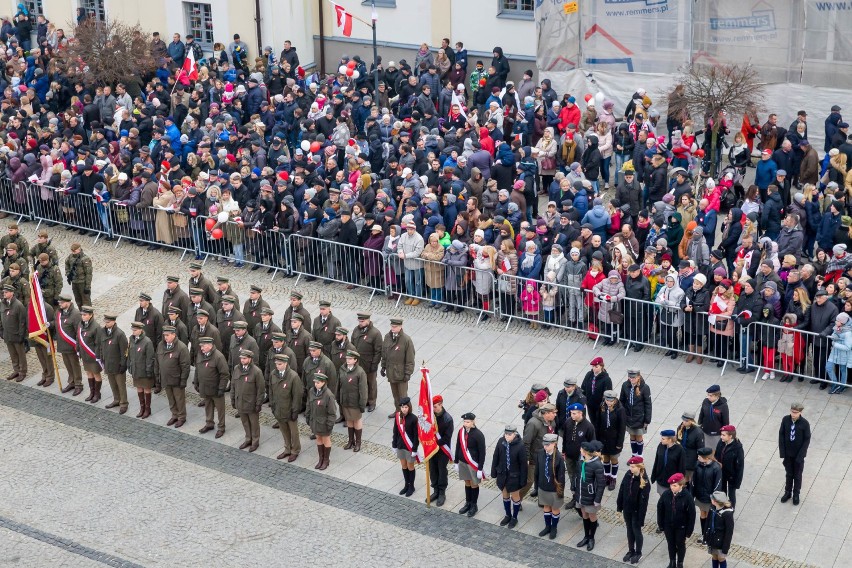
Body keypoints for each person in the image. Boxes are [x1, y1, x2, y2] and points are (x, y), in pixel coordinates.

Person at [491, 424, 528, 529]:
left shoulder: (520, 446)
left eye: (509, 434)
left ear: (515, 434)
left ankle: (514, 517)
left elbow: (523, 464)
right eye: (506, 434)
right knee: (505, 494)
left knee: (515, 496)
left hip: (514, 476)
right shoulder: (501, 441)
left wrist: (523, 480)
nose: (507, 436)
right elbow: (496, 456)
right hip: (502, 474)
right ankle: (508, 515)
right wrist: (493, 472)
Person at [193, 336, 230, 440]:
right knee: (208, 406)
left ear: (210, 345)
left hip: (216, 388)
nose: (201, 348)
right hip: (205, 387)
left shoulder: (218, 357)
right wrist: (196, 382)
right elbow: (197, 369)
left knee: (220, 409)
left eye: (203, 346)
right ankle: (209, 423)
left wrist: (221, 388)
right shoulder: (201, 354)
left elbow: (225, 374)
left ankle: (221, 427)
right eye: (201, 346)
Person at [268, 353, 303, 461]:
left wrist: (295, 411)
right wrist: (273, 405)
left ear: (286, 363)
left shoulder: (293, 376)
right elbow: (271, 391)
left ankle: (295, 450)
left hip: (289, 409)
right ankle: (287, 449)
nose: (277, 366)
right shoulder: (273, 374)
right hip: (278, 409)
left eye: (280, 364)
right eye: (276, 364)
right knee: (284, 430)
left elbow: (297, 395)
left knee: (294, 432)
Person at [617, 455, 651, 565]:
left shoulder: (644, 481)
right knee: (629, 530)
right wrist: (619, 507)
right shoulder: (628, 475)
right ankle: (631, 550)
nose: (630, 468)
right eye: (630, 466)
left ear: (639, 467)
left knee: (636, 531)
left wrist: (641, 518)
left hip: (636, 511)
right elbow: (622, 490)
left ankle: (638, 552)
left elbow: (644, 503)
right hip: (627, 509)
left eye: (632, 466)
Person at [657, 473, 695, 568]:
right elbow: (660, 509)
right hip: (668, 525)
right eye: (671, 485)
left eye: (674, 485)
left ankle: (680, 562)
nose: (672, 487)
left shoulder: (687, 497)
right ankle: (672, 561)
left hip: (681, 526)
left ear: (681, 485)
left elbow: (692, 515)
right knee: (671, 543)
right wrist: (661, 524)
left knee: (680, 544)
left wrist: (689, 531)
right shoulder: (666, 494)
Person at [156, 325, 191, 428]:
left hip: (176, 379)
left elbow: (185, 366)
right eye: (164, 335)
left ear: (173, 335)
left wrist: (183, 380)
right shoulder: (161, 345)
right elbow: (157, 362)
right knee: (171, 399)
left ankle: (181, 417)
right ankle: (174, 414)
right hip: (166, 378)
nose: (165, 337)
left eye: (167, 335)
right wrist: (158, 375)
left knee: (179, 399)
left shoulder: (181, 347)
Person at [573, 440, 606, 551]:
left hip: (591, 496)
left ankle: (592, 538)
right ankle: (586, 536)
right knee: (584, 514)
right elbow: (576, 475)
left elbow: (601, 484)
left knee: (591, 516)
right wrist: (574, 488)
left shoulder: (597, 465)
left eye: (581, 449)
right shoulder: (581, 461)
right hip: (581, 494)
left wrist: (597, 499)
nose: (580, 450)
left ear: (585, 452)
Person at [381, 317, 415, 418]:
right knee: (395, 394)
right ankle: (398, 411)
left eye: (395, 327)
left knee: (403, 396)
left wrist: (408, 373)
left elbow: (410, 358)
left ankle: (407, 414)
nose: (393, 328)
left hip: (401, 373)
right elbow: (384, 353)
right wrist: (383, 366)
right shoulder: (387, 337)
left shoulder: (406, 340)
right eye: (392, 326)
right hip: (391, 372)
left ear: (400, 327)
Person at [455, 411, 487, 517]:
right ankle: (468, 502)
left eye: (467, 422)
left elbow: (482, 452)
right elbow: (458, 446)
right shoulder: (461, 432)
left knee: (474, 484)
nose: (465, 424)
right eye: (464, 421)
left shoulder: (478, 434)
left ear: (473, 422)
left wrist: (480, 468)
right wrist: (456, 461)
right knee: (467, 482)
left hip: (473, 464)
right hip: (463, 462)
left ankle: (474, 505)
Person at [779, 402, 810, 505]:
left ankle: (796, 494)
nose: (793, 414)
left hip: (798, 455)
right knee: (789, 474)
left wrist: (801, 455)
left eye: (796, 412)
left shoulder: (804, 423)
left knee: (797, 475)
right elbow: (781, 435)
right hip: (788, 454)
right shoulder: (785, 420)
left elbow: (807, 439)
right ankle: (787, 492)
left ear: (800, 412)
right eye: (792, 412)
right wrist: (783, 452)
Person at [535, 433, 566, 540]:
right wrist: (536, 486)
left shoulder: (558, 458)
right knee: (546, 507)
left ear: (554, 444)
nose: (545, 447)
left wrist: (560, 492)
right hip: (543, 486)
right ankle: (547, 526)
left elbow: (561, 477)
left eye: (548, 445)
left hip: (554, 489)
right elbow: (537, 471)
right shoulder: (540, 453)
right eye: (544, 444)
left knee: (555, 508)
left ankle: (554, 528)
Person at [351, 311, 383, 413]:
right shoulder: (356, 330)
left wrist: (374, 364)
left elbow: (378, 351)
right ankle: (363, 401)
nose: (360, 323)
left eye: (362, 321)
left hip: (369, 363)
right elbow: (352, 344)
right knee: (361, 383)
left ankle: (372, 402)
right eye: (359, 321)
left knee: (371, 383)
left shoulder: (375, 333)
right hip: (358, 363)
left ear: (368, 321)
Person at [595, 390, 626, 491]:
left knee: (614, 459)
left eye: (610, 400)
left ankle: (613, 478)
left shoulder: (620, 409)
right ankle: (606, 476)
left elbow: (622, 428)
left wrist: (619, 443)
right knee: (605, 458)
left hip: (614, 439)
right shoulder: (602, 406)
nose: (608, 402)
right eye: (607, 400)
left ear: (614, 400)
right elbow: (598, 422)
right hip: (603, 438)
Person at [339, 350, 367, 452]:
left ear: (355, 360)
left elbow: (363, 389)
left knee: (357, 420)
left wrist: (362, 403)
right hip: (345, 400)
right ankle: (351, 441)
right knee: (349, 420)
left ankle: (358, 442)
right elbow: (339, 384)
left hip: (355, 401)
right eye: (347, 358)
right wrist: (339, 397)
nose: (348, 360)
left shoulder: (360, 372)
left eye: (350, 359)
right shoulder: (342, 369)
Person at [100, 313, 129, 414]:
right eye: (105, 322)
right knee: (112, 384)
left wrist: (123, 364)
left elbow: (124, 351)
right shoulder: (103, 332)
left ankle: (124, 403)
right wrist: (101, 358)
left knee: (121, 385)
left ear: (114, 322)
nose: (106, 324)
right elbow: (101, 346)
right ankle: (116, 400)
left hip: (117, 364)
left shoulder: (119, 334)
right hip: (108, 363)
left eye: (108, 322)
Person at [693, 447, 723, 544]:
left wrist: (713, 498)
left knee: (709, 516)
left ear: (706, 458)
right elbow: (694, 480)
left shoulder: (716, 468)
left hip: (709, 497)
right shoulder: (698, 465)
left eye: (700, 457)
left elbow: (717, 484)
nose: (698, 458)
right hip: (700, 495)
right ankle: (704, 534)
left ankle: (708, 535)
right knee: (702, 514)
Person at [620, 368, 652, 456]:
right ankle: (634, 454)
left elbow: (648, 404)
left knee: (638, 436)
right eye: (630, 377)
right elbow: (621, 401)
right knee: (632, 435)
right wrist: (622, 414)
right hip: (628, 416)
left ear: (638, 377)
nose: (631, 379)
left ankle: (639, 455)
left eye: (633, 377)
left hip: (639, 417)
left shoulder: (645, 388)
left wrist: (647, 420)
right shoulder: (625, 385)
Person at [392, 396, 420, 497]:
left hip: (410, 447)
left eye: (406, 407)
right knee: (403, 465)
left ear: (409, 407)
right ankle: (406, 485)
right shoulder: (398, 416)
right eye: (402, 407)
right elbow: (395, 431)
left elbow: (416, 435)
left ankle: (411, 486)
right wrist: (394, 445)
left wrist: (415, 449)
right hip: (400, 445)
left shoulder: (413, 419)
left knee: (410, 466)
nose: (404, 409)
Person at [127, 321, 156, 419]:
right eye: (133, 330)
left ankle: (147, 409)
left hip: (144, 370)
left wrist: (149, 370)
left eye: (135, 330)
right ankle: (142, 408)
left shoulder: (147, 342)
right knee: (139, 387)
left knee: (146, 389)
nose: (133, 332)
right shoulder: (131, 339)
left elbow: (150, 358)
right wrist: (130, 365)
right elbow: (129, 353)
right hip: (136, 369)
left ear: (141, 330)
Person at [430, 395, 454, 507]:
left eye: (435, 407)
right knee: (433, 469)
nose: (433, 409)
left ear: (441, 404)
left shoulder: (448, 419)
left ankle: (442, 492)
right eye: (432, 407)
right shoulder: (430, 416)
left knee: (441, 470)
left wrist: (435, 444)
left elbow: (447, 437)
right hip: (431, 449)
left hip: (442, 450)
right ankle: (435, 490)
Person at [0, 284, 27, 382]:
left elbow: (22, 322)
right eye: (3, 292)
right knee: (13, 355)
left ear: (12, 293)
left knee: (20, 354)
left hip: (16, 334)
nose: (4, 294)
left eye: (6, 292)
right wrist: (1, 330)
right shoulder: (2, 303)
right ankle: (16, 370)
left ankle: (22, 372)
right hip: (7, 334)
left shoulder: (18, 305)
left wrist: (21, 335)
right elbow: (1, 317)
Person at [77, 305, 103, 403]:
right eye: (82, 315)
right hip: (85, 355)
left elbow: (98, 344)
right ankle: (92, 393)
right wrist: (78, 349)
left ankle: (97, 394)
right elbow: (78, 338)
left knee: (96, 374)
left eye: (85, 315)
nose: (83, 316)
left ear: (91, 315)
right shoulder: (81, 324)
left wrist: (97, 356)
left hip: (93, 356)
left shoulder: (96, 327)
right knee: (89, 373)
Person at [650, 429, 686, 495]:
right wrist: (654, 475)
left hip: (672, 481)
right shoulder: (660, 446)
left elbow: (681, 467)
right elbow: (656, 461)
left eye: (663, 439)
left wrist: (680, 482)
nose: (661, 440)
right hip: (661, 478)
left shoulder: (679, 450)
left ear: (670, 440)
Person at [705, 491, 736, 568]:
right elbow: (708, 522)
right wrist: (706, 536)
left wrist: (725, 547)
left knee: (721, 558)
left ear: (716, 501)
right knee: (714, 556)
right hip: (712, 538)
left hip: (720, 541)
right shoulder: (712, 508)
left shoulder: (727, 514)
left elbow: (729, 532)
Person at [698, 384, 730, 453]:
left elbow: (725, 421)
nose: (708, 397)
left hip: (716, 433)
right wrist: (699, 423)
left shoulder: (723, 406)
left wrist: (725, 432)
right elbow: (702, 413)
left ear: (717, 396)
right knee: (705, 448)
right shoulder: (705, 401)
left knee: (715, 450)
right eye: (708, 395)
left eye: (710, 395)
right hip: (705, 430)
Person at [581, 356, 611, 426]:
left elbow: (608, 393)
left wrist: (604, 404)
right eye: (593, 366)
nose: (594, 368)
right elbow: (583, 387)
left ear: (601, 366)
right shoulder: (589, 375)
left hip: (600, 406)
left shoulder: (606, 379)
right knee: (593, 422)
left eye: (596, 366)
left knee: (599, 424)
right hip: (590, 404)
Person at [677, 411, 705, 481]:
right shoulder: (680, 428)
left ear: (691, 421)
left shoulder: (698, 432)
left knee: (690, 479)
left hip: (691, 460)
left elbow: (700, 448)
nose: (684, 422)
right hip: (681, 457)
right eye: (683, 420)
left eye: (686, 421)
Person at [65, 242, 92, 309]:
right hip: (74, 282)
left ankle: (88, 315)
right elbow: (67, 264)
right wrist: (68, 274)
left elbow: (88, 274)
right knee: (78, 300)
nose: (73, 252)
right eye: (72, 251)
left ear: (79, 249)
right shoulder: (70, 257)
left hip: (82, 282)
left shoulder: (85, 259)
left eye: (75, 251)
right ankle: (81, 313)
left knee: (86, 301)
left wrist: (87, 286)